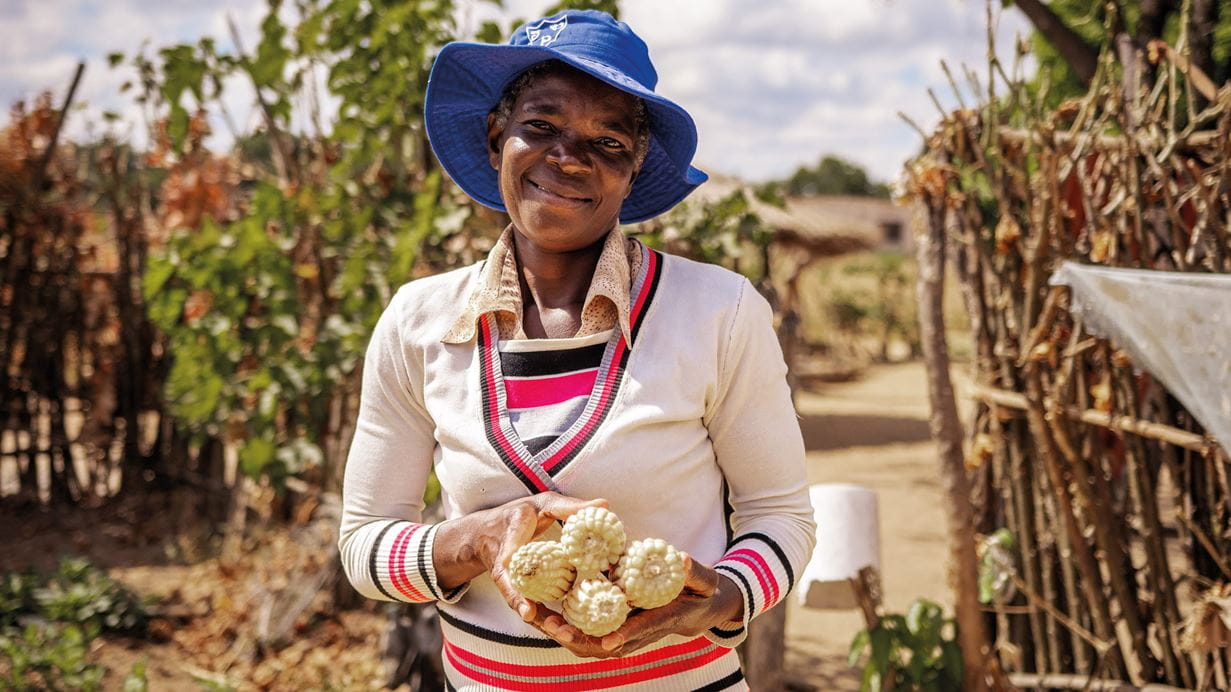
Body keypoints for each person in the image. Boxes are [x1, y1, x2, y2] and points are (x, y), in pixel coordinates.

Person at [338, 10, 816, 690]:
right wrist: (478, 538)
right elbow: (364, 545)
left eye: (608, 142)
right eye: (540, 127)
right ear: (495, 134)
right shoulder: (420, 322)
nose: (567, 157)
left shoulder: (717, 312)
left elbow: (781, 518)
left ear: (633, 170)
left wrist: (719, 597)